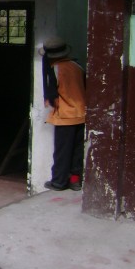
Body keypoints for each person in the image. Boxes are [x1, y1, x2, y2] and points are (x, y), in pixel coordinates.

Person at [39, 36, 86, 191]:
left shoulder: (55, 69)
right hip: (81, 114)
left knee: (62, 152)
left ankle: (58, 182)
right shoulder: (77, 66)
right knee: (77, 152)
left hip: (65, 117)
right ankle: (75, 181)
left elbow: (54, 99)